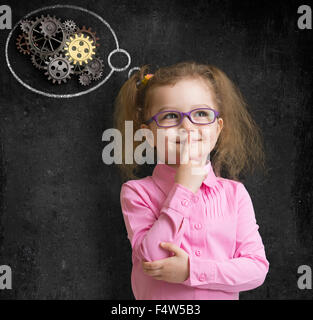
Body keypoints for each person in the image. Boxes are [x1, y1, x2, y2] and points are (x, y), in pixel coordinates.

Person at [113, 61, 269, 300]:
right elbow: (153, 259)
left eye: (201, 114)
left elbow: (256, 269)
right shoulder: (136, 192)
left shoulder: (235, 194)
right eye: (171, 116)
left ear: (217, 129)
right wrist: (183, 189)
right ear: (149, 135)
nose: (187, 126)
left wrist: (191, 270)